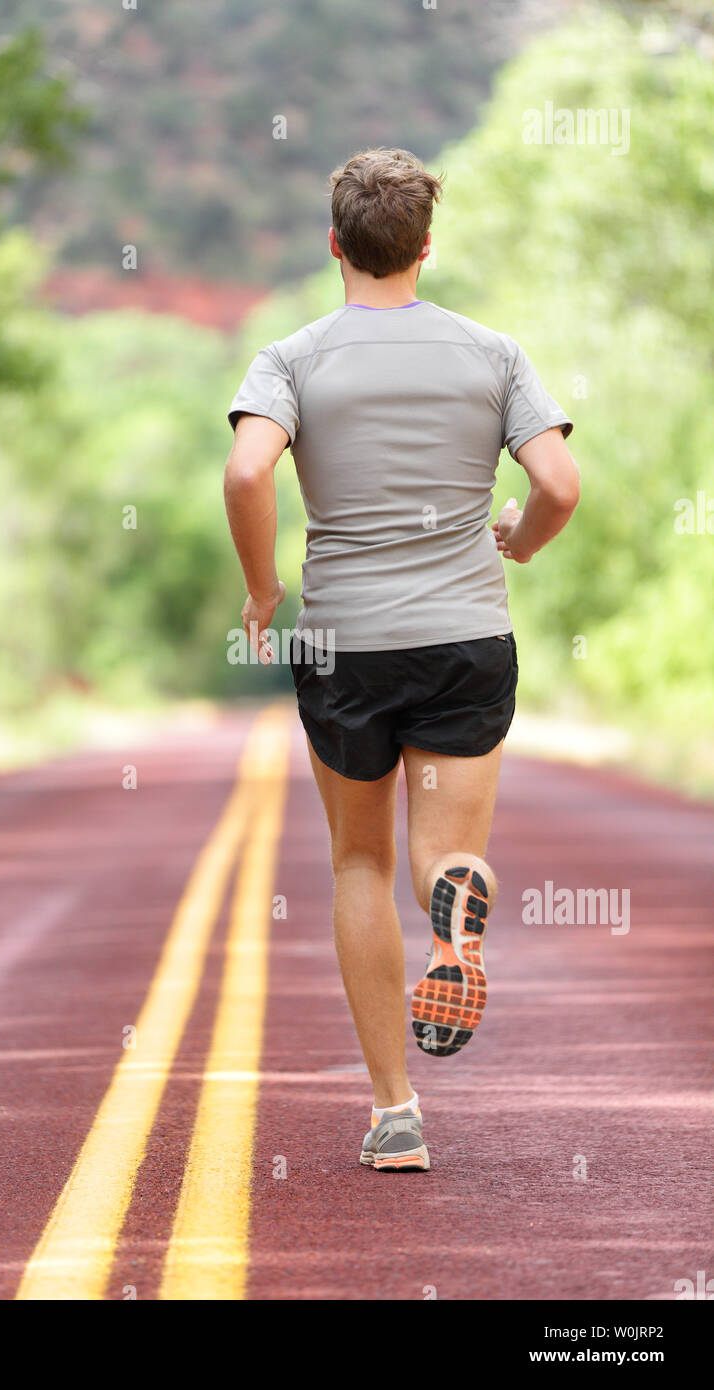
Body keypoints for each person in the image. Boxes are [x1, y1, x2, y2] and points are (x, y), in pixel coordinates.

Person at [224, 148, 579, 1172]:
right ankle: (457, 914)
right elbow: (556, 482)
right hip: (465, 633)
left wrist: (260, 591)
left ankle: (393, 1114)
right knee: (441, 854)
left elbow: (248, 468)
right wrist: (519, 538)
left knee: (358, 861)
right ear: (426, 245)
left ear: (334, 243)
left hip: (345, 643)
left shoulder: (291, 357)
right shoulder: (490, 352)